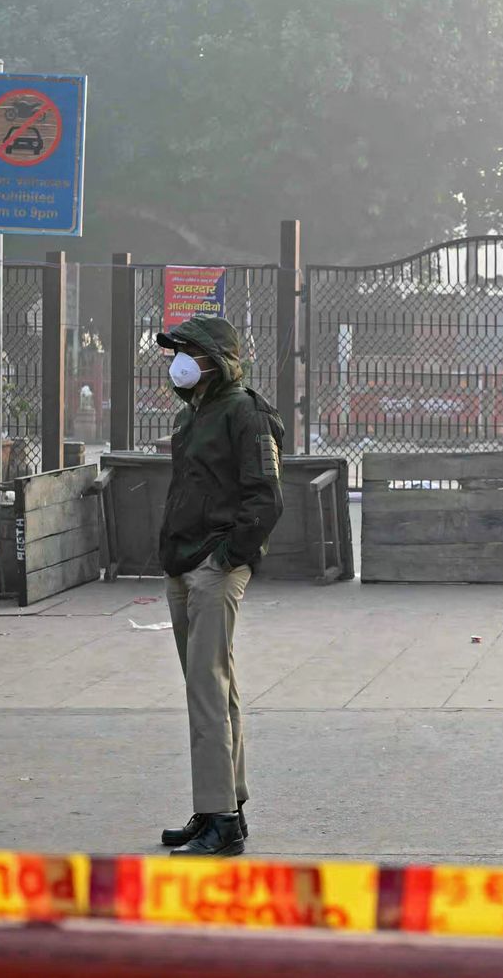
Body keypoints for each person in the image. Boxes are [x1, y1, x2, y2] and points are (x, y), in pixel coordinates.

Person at [154, 315, 285, 857]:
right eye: (175, 350)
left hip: (213, 565)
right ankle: (223, 802)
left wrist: (227, 557)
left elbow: (266, 497)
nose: (178, 361)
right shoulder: (196, 415)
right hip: (185, 563)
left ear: (217, 359)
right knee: (215, 686)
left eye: (189, 351)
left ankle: (221, 819)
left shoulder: (245, 413)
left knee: (206, 691)